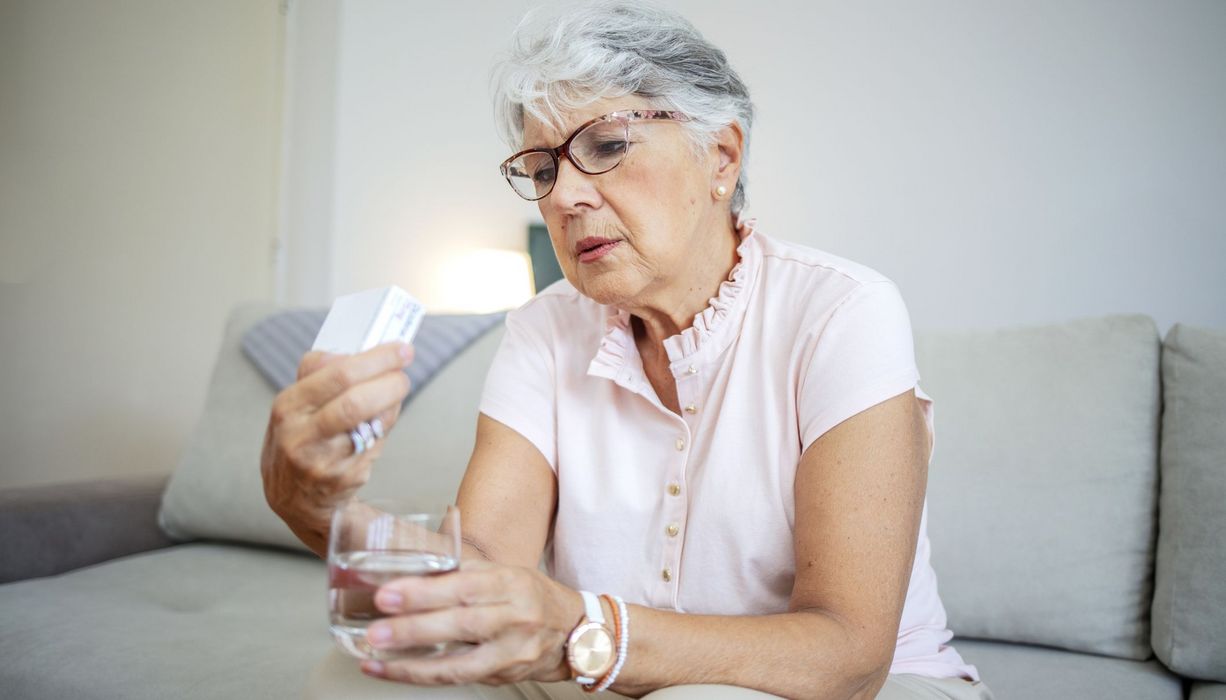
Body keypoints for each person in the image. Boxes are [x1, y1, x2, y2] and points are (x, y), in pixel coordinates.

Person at [262, 2, 994, 699]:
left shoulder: (841, 312)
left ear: (722, 157)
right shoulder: (544, 328)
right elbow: (480, 573)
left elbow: (847, 655)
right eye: (543, 169)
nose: (564, 198)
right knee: (360, 679)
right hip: (609, 675)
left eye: (606, 147)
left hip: (855, 689)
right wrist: (318, 509)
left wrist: (586, 631)